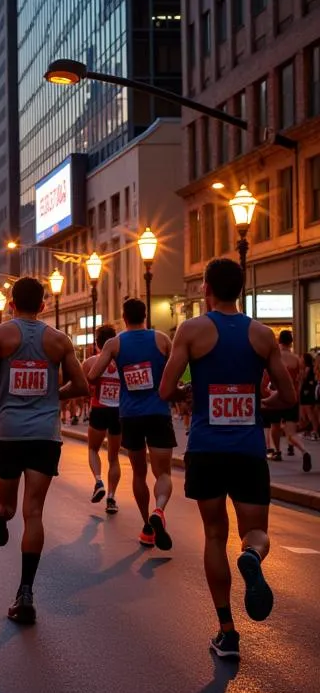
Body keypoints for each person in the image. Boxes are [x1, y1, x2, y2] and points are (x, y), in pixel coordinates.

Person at [160, 257, 296, 659]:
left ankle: (227, 631)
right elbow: (287, 396)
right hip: (249, 449)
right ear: (240, 288)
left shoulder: (192, 330)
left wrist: (188, 393)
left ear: (206, 288)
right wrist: (259, 399)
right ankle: (252, 557)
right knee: (254, 532)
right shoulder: (262, 334)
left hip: (206, 447)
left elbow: (167, 388)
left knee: (215, 535)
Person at [0, 277, 88, 623]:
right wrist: (50, 396)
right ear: (43, 304)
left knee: (7, 507)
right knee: (33, 513)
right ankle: (25, 592)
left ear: (10, 303)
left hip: (7, 432)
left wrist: (3, 391)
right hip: (44, 434)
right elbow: (81, 385)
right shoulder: (59, 340)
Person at [87, 298, 176, 550]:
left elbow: (93, 375)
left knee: (139, 473)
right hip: (159, 412)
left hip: (130, 416)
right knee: (164, 473)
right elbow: (183, 369)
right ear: (145, 316)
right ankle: (159, 510)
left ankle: (147, 526)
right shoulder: (161, 339)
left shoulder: (115, 343)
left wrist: (121, 367)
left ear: (124, 318)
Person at [84, 325, 122, 514]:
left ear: (97, 343)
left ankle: (98, 480)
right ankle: (112, 498)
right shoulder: (124, 363)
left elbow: (84, 386)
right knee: (114, 458)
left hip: (99, 409)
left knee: (92, 449)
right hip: (119, 412)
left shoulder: (91, 362)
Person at [266, 330, 311, 471]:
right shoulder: (296, 359)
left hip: (277, 394)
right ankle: (304, 451)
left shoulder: (274, 356)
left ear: (279, 341)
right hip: (292, 397)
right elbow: (300, 379)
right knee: (291, 433)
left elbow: (268, 377)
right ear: (291, 341)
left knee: (275, 425)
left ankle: (277, 451)